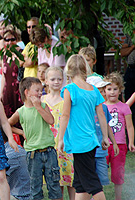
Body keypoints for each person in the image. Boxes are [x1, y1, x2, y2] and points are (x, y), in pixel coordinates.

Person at [58, 54, 109, 200]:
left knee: (92, 183)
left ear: (68, 70)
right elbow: (101, 115)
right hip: (91, 141)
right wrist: (105, 137)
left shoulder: (70, 89)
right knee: (80, 183)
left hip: (79, 142)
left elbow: (65, 115)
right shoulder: (93, 89)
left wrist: (60, 138)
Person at [8, 77, 62, 200]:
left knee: (54, 187)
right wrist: (21, 132)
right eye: (37, 90)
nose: (40, 93)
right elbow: (7, 124)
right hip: (32, 155)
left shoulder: (43, 106)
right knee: (35, 189)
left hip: (49, 152)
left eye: (41, 90)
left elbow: (51, 120)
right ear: (27, 92)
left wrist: (38, 107)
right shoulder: (21, 111)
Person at [42, 67, 75, 199]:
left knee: (71, 180)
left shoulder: (67, 99)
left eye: (59, 79)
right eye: (52, 79)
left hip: (67, 144)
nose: (56, 82)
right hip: (49, 145)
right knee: (56, 181)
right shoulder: (42, 100)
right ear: (46, 81)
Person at [103, 72, 135, 200]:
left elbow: (130, 126)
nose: (112, 92)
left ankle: (118, 197)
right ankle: (98, 195)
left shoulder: (124, 107)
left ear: (120, 90)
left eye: (115, 89)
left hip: (120, 145)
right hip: (104, 145)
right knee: (100, 172)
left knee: (118, 173)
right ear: (104, 90)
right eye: (109, 89)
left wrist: (131, 142)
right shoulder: (101, 107)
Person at [86, 78, 120, 189]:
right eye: (98, 91)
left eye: (102, 91)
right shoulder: (85, 108)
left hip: (101, 151)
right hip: (88, 150)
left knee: (101, 179)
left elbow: (107, 125)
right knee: (89, 179)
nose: (101, 94)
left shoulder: (104, 108)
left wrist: (114, 143)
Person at [0, 29, 24, 144]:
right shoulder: (4, 55)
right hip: (7, 91)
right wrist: (1, 93)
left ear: (17, 39)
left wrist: (16, 53)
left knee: (20, 119)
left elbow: (22, 65)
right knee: (7, 120)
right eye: (7, 40)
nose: (10, 42)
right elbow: (3, 76)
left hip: (19, 91)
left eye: (12, 39)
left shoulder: (22, 52)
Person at [121, 30, 135, 125]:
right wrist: (133, 46)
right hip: (130, 69)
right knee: (129, 96)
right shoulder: (129, 36)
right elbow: (123, 52)